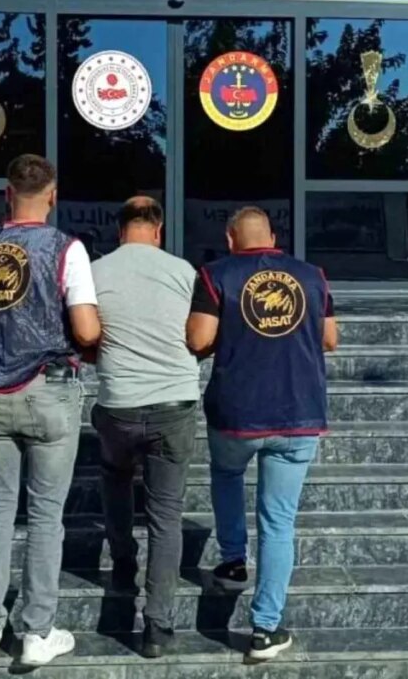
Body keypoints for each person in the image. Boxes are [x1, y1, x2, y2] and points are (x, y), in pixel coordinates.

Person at [0, 154, 101, 667]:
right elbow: (85, 328)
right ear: (53, 195)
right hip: (49, 390)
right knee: (45, 517)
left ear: (7, 193)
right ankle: (37, 633)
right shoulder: (67, 249)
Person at [185, 206, 338, 662]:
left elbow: (198, 340)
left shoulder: (216, 274)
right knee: (278, 522)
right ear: (272, 237)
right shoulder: (312, 276)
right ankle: (265, 630)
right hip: (298, 411)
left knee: (227, 474)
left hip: (237, 412)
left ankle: (233, 561)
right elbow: (329, 339)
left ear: (231, 239)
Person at [89, 197, 200, 658]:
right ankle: (157, 627)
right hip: (174, 403)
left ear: (120, 231)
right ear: (158, 231)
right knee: (165, 516)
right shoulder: (184, 271)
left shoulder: (95, 271)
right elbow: (199, 335)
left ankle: (121, 561)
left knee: (115, 476)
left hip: (118, 403)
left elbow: (85, 334)